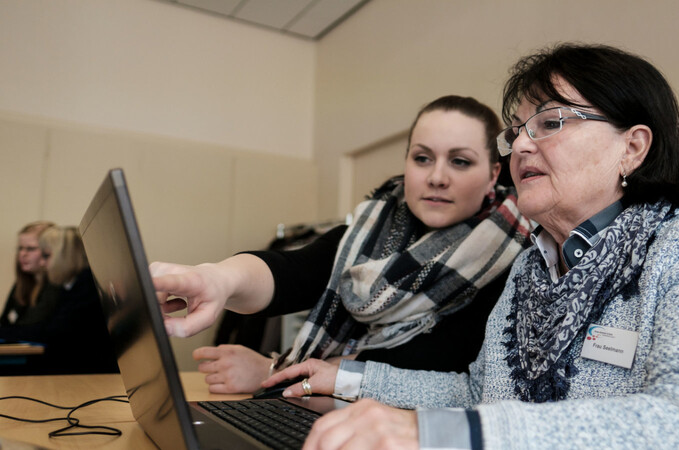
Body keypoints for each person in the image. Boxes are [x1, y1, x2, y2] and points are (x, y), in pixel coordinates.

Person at [264, 43, 679, 449]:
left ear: (632, 148)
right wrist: (351, 381)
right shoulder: (532, 268)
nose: (520, 144)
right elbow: (481, 396)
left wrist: (436, 434)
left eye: (550, 122)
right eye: (517, 129)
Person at [150, 95, 533, 394]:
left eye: (460, 162)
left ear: (493, 174)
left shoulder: (519, 261)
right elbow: (288, 273)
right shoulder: (363, 238)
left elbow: (474, 391)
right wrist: (218, 278)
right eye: (422, 158)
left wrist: (271, 372)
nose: (436, 177)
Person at [0, 226, 118, 375]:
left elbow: (51, 333)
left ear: (65, 256)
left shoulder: (86, 286)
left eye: (46, 256)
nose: (42, 263)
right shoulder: (73, 285)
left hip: (88, 373)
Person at [2, 221, 56, 327]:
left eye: (30, 248)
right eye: (20, 248)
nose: (22, 254)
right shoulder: (21, 284)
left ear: (50, 251)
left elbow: (33, 328)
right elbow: (4, 323)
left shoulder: (58, 285)